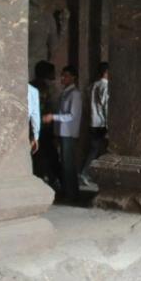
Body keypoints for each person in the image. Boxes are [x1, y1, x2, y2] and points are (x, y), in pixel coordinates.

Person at [54, 65, 82, 202]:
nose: (62, 78)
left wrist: (53, 117)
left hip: (69, 133)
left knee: (69, 164)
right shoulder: (65, 93)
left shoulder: (75, 94)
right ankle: (68, 191)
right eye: (62, 75)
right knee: (65, 163)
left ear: (73, 77)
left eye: (65, 75)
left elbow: (72, 115)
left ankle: (72, 194)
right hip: (63, 132)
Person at [31, 60, 61, 190]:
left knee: (38, 156)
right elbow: (51, 107)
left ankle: (43, 179)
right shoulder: (49, 87)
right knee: (51, 156)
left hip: (34, 127)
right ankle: (53, 180)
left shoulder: (30, 85)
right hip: (45, 126)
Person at [81, 62, 110, 186]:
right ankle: (86, 173)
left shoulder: (92, 85)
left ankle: (88, 173)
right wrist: (110, 124)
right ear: (106, 72)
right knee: (100, 150)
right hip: (101, 123)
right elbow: (106, 107)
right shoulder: (105, 86)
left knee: (94, 149)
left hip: (93, 122)